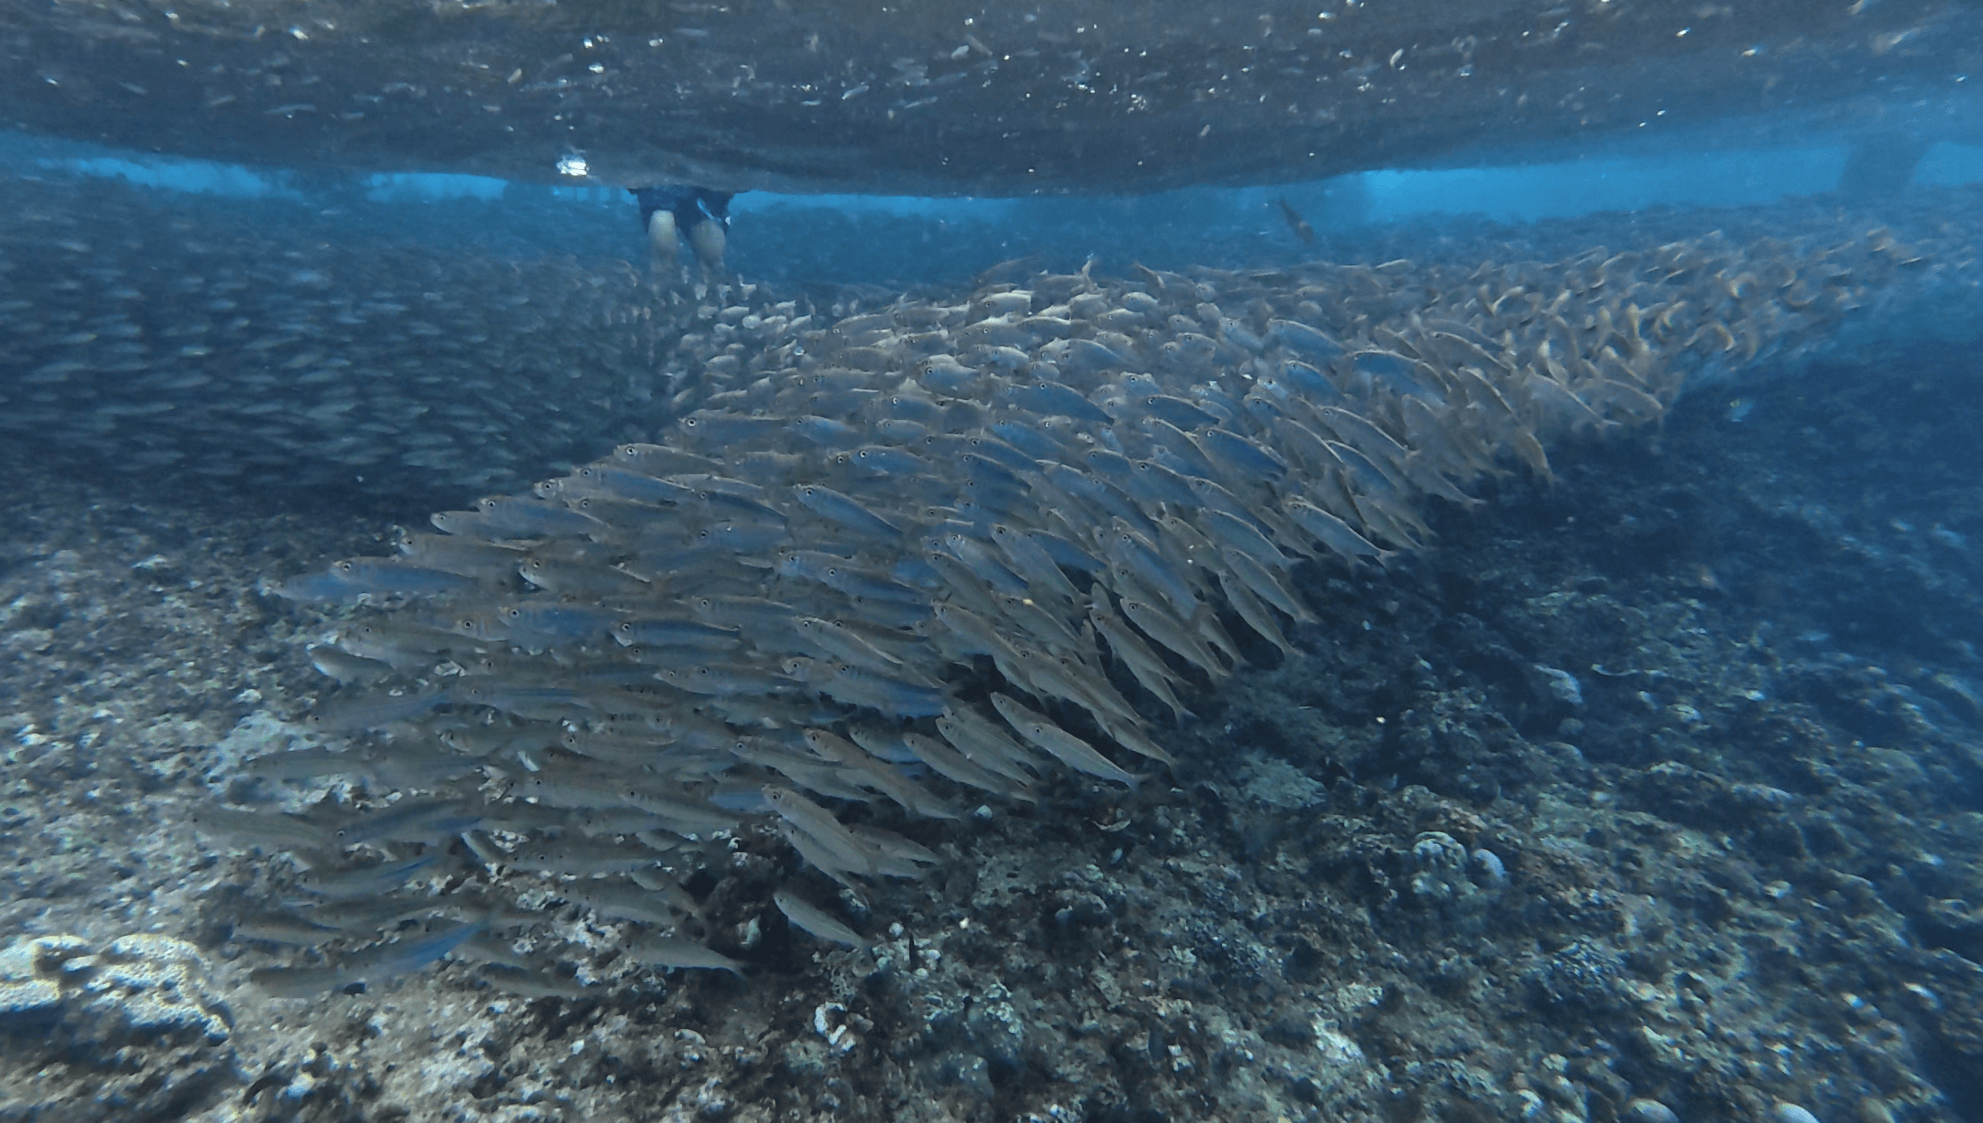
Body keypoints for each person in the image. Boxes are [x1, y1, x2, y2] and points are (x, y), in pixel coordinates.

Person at [628, 186, 735, 275]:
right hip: (665, 185)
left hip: (671, 185)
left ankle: (663, 289)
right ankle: (663, 290)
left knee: (712, 260)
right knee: (664, 252)